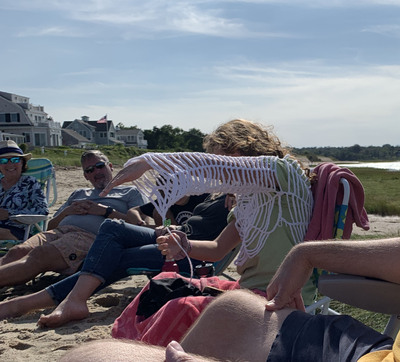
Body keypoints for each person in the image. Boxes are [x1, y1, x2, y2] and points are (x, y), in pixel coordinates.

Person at [83, 118, 315, 345]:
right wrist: (186, 246)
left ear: (240, 149)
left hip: (281, 299)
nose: (219, 169)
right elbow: (218, 249)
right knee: (162, 283)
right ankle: (129, 350)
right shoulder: (246, 200)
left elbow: (220, 168)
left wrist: (151, 162)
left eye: (221, 156)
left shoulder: (285, 175)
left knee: (179, 308)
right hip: (246, 291)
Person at [60, 237, 400, 362]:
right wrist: (305, 254)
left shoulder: (279, 197)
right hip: (370, 350)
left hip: (254, 288)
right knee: (227, 307)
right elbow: (221, 247)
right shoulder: (237, 208)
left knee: (94, 355)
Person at [0, 150, 147, 286]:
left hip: (89, 237)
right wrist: (67, 212)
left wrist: (106, 212)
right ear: (86, 176)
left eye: (100, 166)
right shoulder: (79, 193)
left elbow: (141, 229)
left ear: (110, 166)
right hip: (58, 232)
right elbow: (51, 226)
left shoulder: (130, 192)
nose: (96, 171)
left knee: (41, 254)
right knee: (17, 251)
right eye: (89, 170)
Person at [0, 140, 48, 240]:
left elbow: (43, 211)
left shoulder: (29, 183)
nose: (9, 164)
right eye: (3, 161)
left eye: (15, 160)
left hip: (20, 231)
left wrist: (9, 214)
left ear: (22, 163)